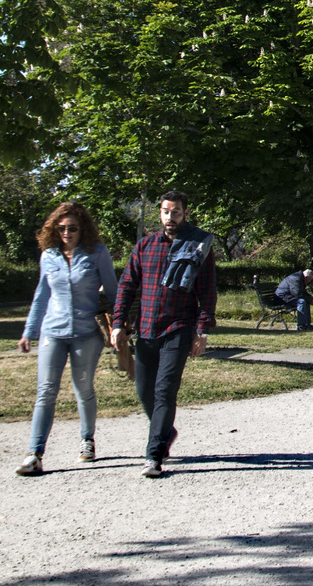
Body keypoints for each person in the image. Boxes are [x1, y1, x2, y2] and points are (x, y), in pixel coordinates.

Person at [110, 189, 217, 479]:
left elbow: (207, 291)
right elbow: (127, 286)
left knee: (165, 390)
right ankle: (166, 432)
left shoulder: (198, 246)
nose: (171, 217)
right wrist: (118, 323)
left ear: (185, 213)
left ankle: (153, 455)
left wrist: (202, 330)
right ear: (160, 213)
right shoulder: (145, 246)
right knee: (144, 389)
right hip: (146, 328)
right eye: (166, 212)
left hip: (179, 327)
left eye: (177, 212)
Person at [15, 202, 118, 476]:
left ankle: (87, 438)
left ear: (82, 228)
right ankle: (34, 454)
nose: (67, 233)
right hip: (53, 331)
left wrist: (119, 326)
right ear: (54, 229)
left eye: (72, 228)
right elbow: (41, 296)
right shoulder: (49, 256)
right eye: (61, 228)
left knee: (82, 388)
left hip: (86, 333)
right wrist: (29, 331)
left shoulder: (97, 253)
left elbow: (113, 292)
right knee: (46, 391)